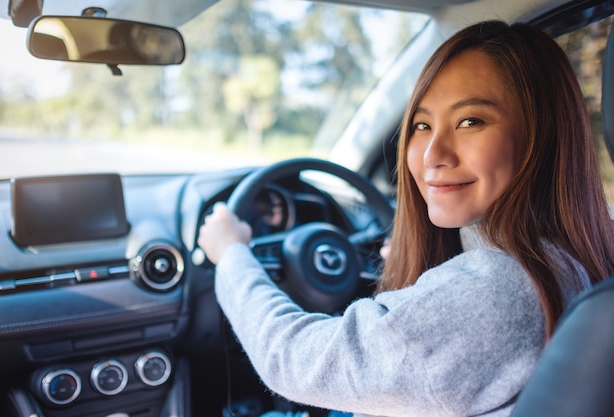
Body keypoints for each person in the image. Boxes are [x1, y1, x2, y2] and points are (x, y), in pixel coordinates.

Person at [197, 20, 614, 416]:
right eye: (421, 125)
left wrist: (232, 253)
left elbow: (290, 359)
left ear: (541, 138)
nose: (433, 154)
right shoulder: (574, 255)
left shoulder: (497, 291)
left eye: (470, 121)